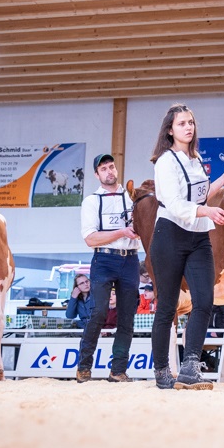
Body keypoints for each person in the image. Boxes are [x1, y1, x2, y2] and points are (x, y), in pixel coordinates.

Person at [149, 102, 224, 390]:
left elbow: (199, 196)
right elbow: (175, 204)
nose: (188, 127)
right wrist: (208, 211)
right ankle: (162, 370)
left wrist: (221, 181)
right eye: (182, 123)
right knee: (168, 307)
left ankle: (190, 366)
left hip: (198, 236)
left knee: (204, 302)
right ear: (170, 130)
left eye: (191, 122)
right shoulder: (165, 162)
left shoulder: (196, 159)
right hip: (169, 235)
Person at [75, 153, 141, 384]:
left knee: (127, 316)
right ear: (97, 175)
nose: (109, 171)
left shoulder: (132, 197)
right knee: (98, 312)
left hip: (130, 259)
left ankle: (118, 371)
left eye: (111, 167)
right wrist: (122, 232)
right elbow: (90, 239)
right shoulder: (91, 201)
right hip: (103, 259)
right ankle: (84, 367)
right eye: (103, 169)